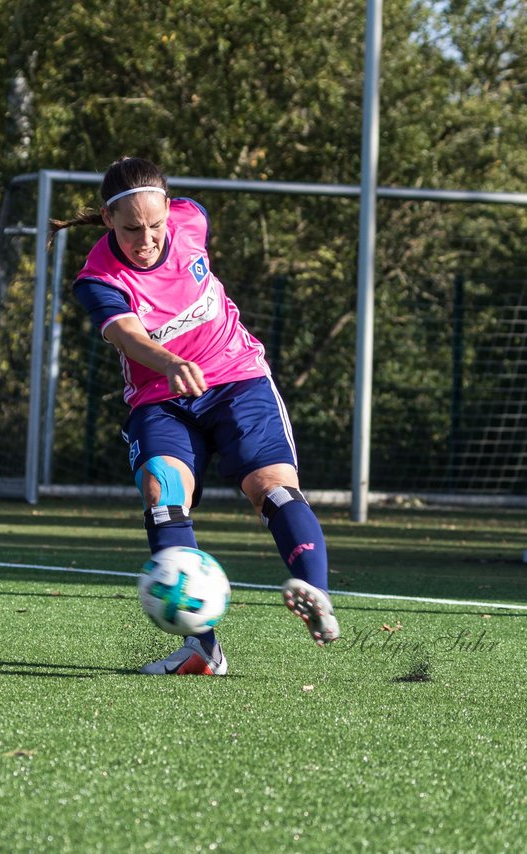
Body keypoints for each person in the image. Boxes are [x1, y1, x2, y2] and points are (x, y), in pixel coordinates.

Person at [50, 156, 339, 676]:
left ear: (170, 213)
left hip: (237, 375)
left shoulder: (192, 218)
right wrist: (171, 361)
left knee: (270, 487)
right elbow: (126, 335)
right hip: (160, 394)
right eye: (133, 229)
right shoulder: (97, 277)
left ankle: (314, 592)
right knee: (163, 491)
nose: (148, 239)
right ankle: (202, 648)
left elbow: (185, 227)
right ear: (108, 221)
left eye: (156, 225)